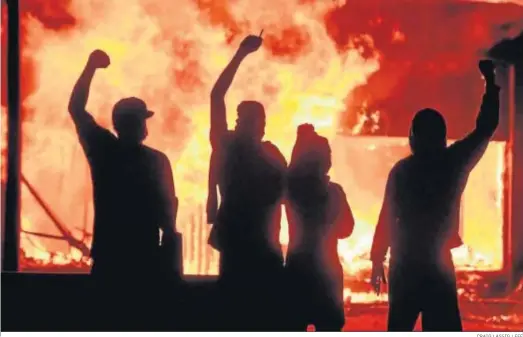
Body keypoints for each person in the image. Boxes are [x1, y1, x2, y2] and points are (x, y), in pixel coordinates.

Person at [369, 60, 500, 331]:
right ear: (442, 136)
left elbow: (386, 216)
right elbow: (486, 127)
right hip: (438, 263)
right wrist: (490, 82)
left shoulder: (402, 171)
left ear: (413, 137)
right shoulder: (453, 163)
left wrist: (376, 259)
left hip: (404, 263)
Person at [68, 49, 180, 328]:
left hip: (110, 258)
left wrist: (91, 66)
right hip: (145, 262)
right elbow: (168, 216)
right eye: (142, 119)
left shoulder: (103, 150)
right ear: (139, 124)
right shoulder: (156, 161)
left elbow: (76, 109)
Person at [206, 33, 287, 331]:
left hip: (244, 247)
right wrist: (240, 54)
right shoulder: (264, 153)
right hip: (259, 249)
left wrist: (241, 54)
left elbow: (216, 97)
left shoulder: (229, 146)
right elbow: (216, 97)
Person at [284, 124, 355, 331]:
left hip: (297, 268)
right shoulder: (334, 192)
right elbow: (347, 229)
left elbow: (290, 173)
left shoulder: (291, 191)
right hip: (328, 270)